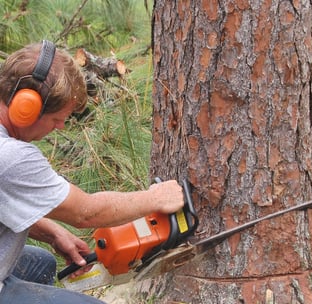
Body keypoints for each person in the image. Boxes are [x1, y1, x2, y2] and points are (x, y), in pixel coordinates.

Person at [0, 40, 184, 303]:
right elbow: (86, 213)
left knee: (41, 263)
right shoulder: (10, 156)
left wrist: (53, 233)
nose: (61, 127)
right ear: (26, 109)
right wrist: (156, 199)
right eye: (56, 119)